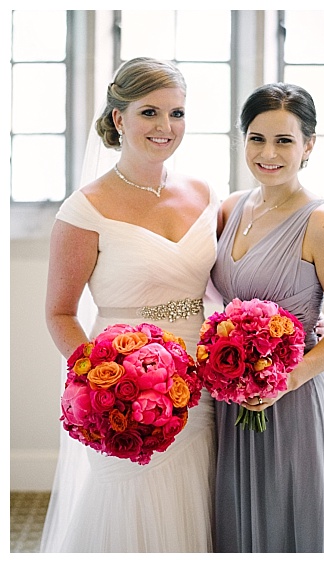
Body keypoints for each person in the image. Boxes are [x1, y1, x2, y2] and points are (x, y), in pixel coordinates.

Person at [40, 57, 217, 552]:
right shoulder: (84, 209)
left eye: (177, 113)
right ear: (120, 119)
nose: (166, 127)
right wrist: (109, 384)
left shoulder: (203, 194)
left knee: (198, 498)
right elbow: (60, 312)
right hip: (128, 392)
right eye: (150, 112)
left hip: (201, 382)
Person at [210, 83, 324, 552]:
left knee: (291, 522)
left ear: (308, 145)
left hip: (294, 401)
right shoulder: (230, 208)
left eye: (284, 141)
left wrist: (284, 382)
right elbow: (203, 291)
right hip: (231, 399)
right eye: (257, 138)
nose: (268, 153)